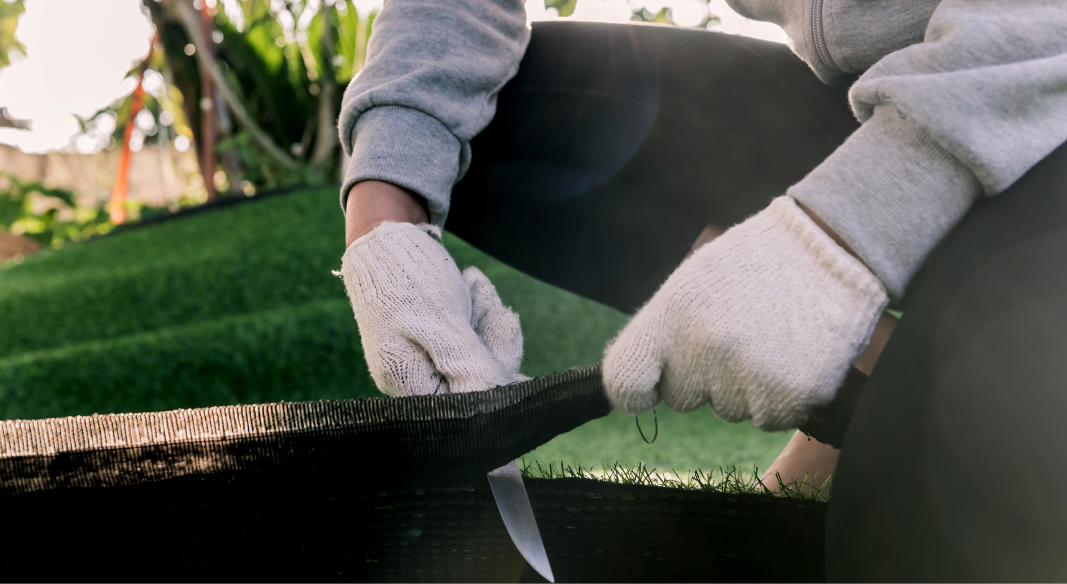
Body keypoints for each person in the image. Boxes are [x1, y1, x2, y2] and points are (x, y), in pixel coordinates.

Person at [335, 0, 1067, 578]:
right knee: (510, 116)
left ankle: (955, 408)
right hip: (872, 98)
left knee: (914, 548)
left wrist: (837, 239)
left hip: (1041, 115)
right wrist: (383, 223)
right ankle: (879, 389)